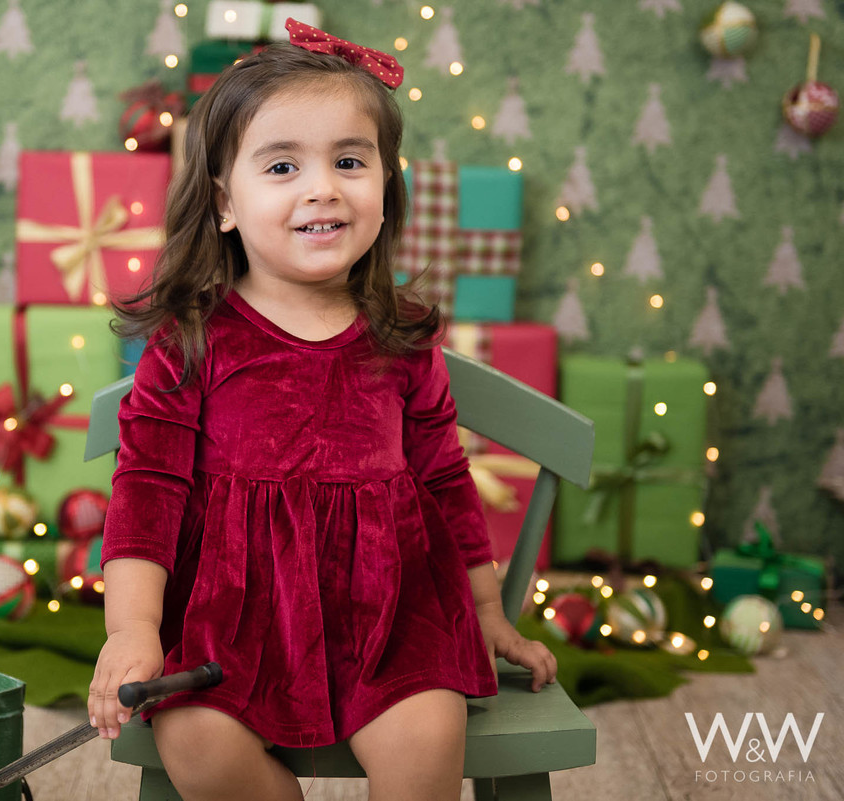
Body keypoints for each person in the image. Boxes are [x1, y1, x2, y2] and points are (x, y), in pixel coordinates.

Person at [88, 20, 557, 801]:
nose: (323, 188)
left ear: (385, 186)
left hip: (389, 619)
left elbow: (444, 479)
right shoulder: (194, 341)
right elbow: (147, 491)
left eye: (349, 160)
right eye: (282, 165)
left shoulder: (401, 339)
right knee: (196, 740)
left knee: (428, 740)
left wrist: (486, 611)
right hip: (231, 622)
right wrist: (132, 628)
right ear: (225, 203)